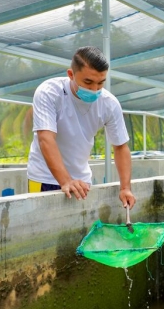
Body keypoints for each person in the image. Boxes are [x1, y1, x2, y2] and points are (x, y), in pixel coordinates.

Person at [27, 46, 136, 210]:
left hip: (82, 181)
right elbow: (46, 138)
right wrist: (65, 181)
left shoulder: (109, 104)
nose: (94, 89)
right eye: (88, 82)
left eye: (100, 83)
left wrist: (125, 188)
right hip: (44, 178)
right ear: (71, 74)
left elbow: (120, 146)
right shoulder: (50, 92)